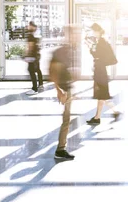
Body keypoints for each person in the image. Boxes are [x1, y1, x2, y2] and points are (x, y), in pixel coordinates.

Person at [48, 24, 79, 160]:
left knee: (67, 119)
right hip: (65, 90)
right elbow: (52, 71)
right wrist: (59, 90)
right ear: (69, 35)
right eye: (75, 34)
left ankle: (61, 148)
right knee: (66, 120)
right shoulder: (62, 51)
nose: (77, 36)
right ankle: (60, 149)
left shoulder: (70, 50)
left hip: (68, 89)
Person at [86, 23, 121, 125]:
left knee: (102, 94)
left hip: (100, 72)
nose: (92, 33)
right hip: (100, 71)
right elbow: (97, 54)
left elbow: (105, 56)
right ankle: (111, 113)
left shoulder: (102, 42)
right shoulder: (99, 41)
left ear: (97, 31)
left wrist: (98, 60)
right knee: (102, 95)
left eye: (93, 31)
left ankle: (98, 117)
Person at [25, 21, 43, 95]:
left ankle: (34, 89)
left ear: (32, 27)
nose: (28, 27)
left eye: (29, 25)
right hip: (37, 55)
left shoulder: (30, 35)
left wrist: (27, 55)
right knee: (37, 70)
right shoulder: (37, 35)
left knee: (31, 71)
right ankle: (41, 85)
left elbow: (30, 46)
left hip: (32, 56)